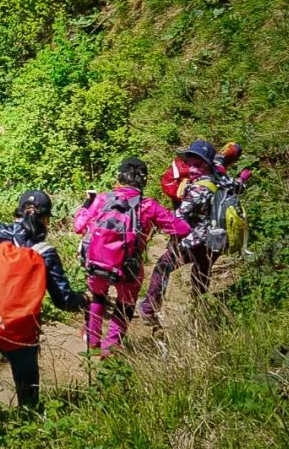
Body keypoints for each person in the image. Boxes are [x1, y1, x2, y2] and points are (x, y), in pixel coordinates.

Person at [0, 190, 88, 417]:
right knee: (27, 386)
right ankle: (27, 424)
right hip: (21, 332)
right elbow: (64, 300)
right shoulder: (45, 252)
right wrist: (86, 299)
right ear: (46, 220)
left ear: (16, 213)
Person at [74, 159, 190, 355]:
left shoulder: (102, 199)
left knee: (98, 296)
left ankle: (92, 341)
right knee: (125, 304)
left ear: (119, 177)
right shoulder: (148, 205)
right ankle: (110, 349)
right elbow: (182, 229)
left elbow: (78, 226)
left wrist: (87, 203)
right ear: (144, 181)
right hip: (128, 266)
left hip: (97, 262)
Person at [140, 140, 223, 325]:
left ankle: (149, 308)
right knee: (202, 272)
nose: (192, 169)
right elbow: (237, 184)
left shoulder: (199, 189)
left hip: (193, 240)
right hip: (214, 239)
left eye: (198, 165)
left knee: (163, 266)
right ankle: (199, 312)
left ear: (207, 165)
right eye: (190, 164)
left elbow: (178, 217)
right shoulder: (219, 179)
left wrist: (155, 217)